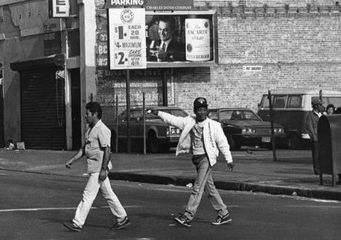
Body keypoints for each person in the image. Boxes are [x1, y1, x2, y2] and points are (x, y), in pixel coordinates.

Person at [150, 97, 234, 227]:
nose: (201, 112)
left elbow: (222, 142)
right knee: (209, 188)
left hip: (207, 159)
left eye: (204, 109)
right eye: (199, 110)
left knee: (197, 188)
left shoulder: (213, 125)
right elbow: (173, 120)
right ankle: (224, 213)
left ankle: (188, 216)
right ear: (195, 111)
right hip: (197, 158)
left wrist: (229, 159)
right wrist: (159, 113)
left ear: (207, 110)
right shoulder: (190, 122)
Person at [63, 101, 130, 232]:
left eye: (87, 113)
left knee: (88, 195)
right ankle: (122, 218)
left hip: (99, 169)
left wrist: (104, 169)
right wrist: (72, 160)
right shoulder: (90, 129)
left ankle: (77, 222)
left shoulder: (102, 129)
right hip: (94, 167)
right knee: (108, 194)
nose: (85, 116)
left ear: (95, 114)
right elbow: (85, 148)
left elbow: (107, 150)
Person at [305, 97, 324, 175]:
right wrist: (313, 136)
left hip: (323, 137)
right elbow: (309, 127)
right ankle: (317, 170)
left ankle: (322, 168)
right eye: (320, 105)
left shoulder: (322, 115)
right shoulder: (311, 115)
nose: (321, 107)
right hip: (316, 138)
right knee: (316, 155)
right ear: (316, 106)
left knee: (322, 154)